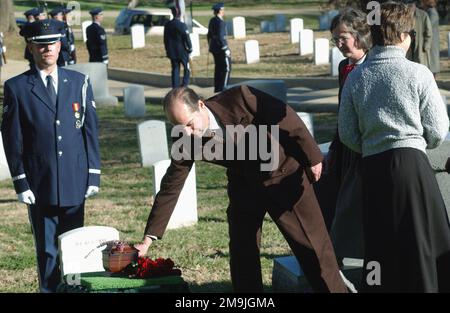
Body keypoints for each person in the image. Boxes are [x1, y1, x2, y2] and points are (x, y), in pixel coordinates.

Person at [134, 86, 348, 293]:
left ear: (200, 105)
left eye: (190, 124)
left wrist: (312, 157)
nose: (187, 134)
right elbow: (172, 184)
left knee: (313, 249)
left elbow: (286, 117)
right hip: (244, 185)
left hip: (282, 174)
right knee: (242, 253)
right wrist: (148, 238)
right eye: (179, 127)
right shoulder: (184, 138)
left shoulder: (240, 98)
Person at [339, 1, 450, 292]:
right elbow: (438, 130)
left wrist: (372, 144)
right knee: (422, 242)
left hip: (373, 167)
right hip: (412, 166)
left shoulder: (356, 77)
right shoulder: (418, 73)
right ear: (402, 35)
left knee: (379, 245)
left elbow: (347, 133)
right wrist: (415, 141)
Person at [1, 19, 101, 293]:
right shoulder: (17, 87)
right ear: (31, 47)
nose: (48, 49)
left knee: (75, 247)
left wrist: (93, 174)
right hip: (40, 182)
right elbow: (13, 139)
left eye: (53, 43)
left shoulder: (79, 82)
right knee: (47, 251)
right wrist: (21, 182)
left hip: (74, 178)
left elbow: (89, 131)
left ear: (60, 45)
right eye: (41, 45)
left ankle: (75, 290)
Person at [326, 7, 371, 262]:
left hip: (367, 148)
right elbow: (342, 111)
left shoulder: (373, 64)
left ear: (360, 34)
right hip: (345, 147)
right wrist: (334, 147)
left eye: (343, 37)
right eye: (335, 39)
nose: (339, 44)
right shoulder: (345, 66)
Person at [164, 6, 193, 88]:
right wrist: (190, 48)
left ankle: (175, 87)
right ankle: (184, 84)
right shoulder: (182, 25)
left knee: (175, 69)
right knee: (186, 68)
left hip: (172, 51)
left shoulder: (168, 25)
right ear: (179, 14)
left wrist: (167, 50)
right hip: (182, 51)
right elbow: (186, 37)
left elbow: (165, 39)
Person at [207, 3, 231, 93]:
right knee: (226, 68)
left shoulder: (212, 20)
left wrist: (210, 45)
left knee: (218, 69)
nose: (223, 11)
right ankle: (223, 89)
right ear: (220, 11)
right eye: (223, 10)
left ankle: (217, 89)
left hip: (214, 48)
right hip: (221, 49)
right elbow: (221, 37)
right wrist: (225, 48)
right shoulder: (220, 22)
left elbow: (209, 35)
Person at [405, 0, 432, 68]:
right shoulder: (404, 15)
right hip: (408, 45)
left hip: (420, 46)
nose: (409, 6)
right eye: (407, 4)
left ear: (414, 5)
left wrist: (426, 46)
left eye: (411, 4)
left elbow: (429, 32)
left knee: (421, 66)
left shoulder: (423, 15)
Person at [421, 0, 440, 77]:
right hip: (430, 41)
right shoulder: (428, 12)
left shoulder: (432, 12)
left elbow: (428, 26)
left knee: (432, 63)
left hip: (432, 42)